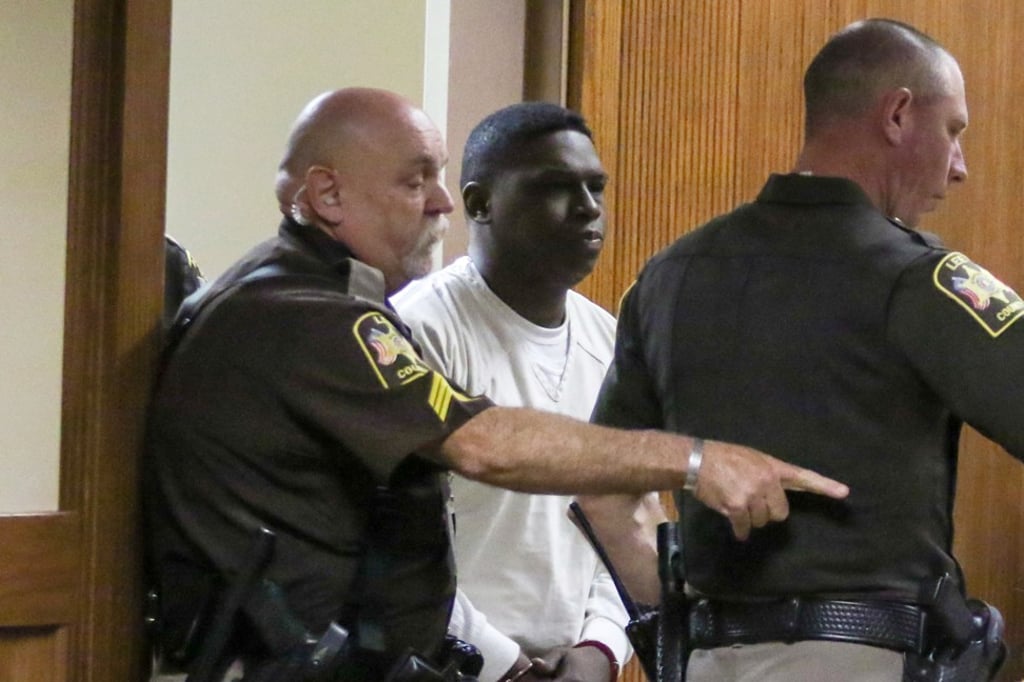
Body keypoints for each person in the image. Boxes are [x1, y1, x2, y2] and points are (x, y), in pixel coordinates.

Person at [143, 87, 848, 681]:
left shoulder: (297, 292)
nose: (439, 203)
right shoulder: (311, 316)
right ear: (327, 193)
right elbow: (486, 446)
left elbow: (610, 512)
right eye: (415, 180)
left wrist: (601, 644)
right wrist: (696, 460)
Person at [580, 17, 1020, 682]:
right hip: (860, 659)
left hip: (703, 660)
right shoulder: (918, 277)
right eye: (953, 130)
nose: (959, 167)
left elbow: (602, 491)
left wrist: (684, 630)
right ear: (898, 114)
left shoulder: (671, 274)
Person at [393, 102, 628, 682]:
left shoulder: (611, 341)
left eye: (595, 187)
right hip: (445, 663)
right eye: (555, 187)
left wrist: (601, 649)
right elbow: (399, 547)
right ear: (479, 203)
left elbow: (622, 517)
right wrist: (505, 666)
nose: (588, 208)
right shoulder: (417, 329)